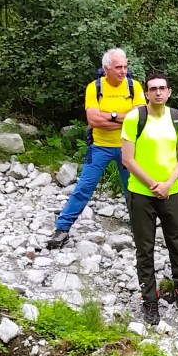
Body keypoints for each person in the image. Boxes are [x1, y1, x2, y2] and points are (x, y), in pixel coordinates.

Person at [46, 48, 146, 249]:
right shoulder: (95, 87)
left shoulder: (134, 86)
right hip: (100, 147)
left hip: (128, 147)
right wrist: (122, 118)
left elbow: (140, 118)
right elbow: (93, 120)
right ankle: (62, 229)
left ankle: (140, 228)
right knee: (84, 187)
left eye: (125, 67)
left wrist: (108, 116)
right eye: (118, 67)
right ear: (106, 68)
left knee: (133, 189)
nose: (123, 71)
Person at [120, 73, 178, 325]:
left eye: (162, 88)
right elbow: (127, 159)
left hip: (172, 191)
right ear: (146, 93)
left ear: (169, 91)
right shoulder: (135, 118)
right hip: (142, 192)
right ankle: (150, 299)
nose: (158, 92)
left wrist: (168, 183)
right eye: (153, 89)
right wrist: (153, 184)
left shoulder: (177, 118)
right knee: (145, 248)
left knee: (177, 244)